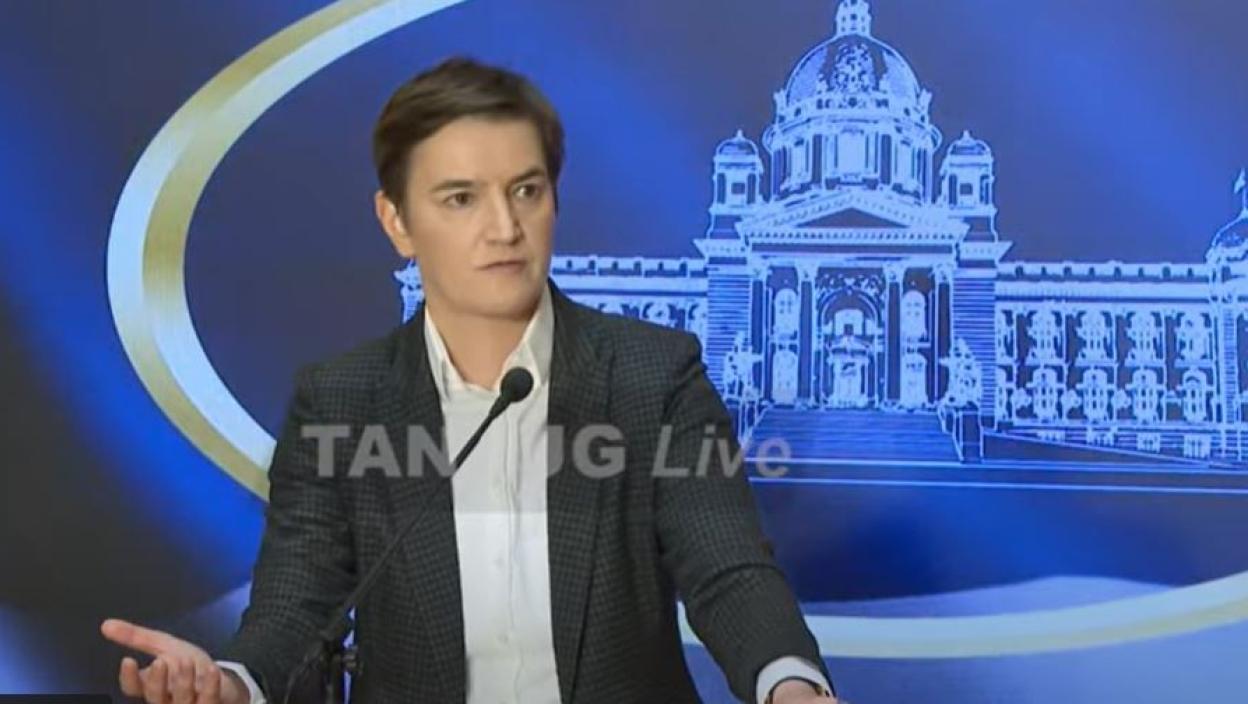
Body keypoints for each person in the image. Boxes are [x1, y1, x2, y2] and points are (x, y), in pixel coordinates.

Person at [101, 57, 837, 704]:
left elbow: (727, 570)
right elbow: (297, 605)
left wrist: (790, 685)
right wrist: (232, 684)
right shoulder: (340, 402)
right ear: (396, 222)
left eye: (526, 191)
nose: (505, 228)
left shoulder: (655, 375)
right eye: (461, 198)